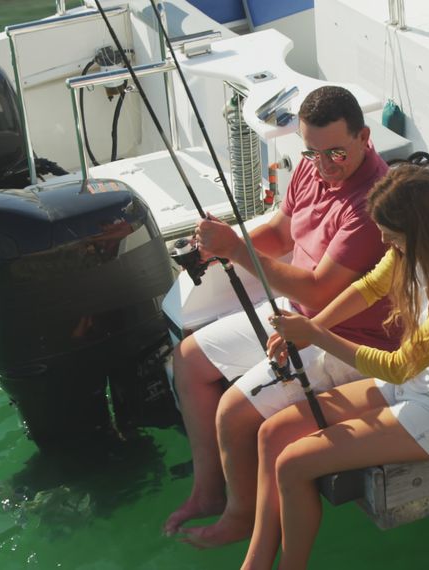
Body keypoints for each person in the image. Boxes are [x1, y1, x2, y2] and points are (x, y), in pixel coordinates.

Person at [242, 164, 429, 569]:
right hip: (411, 389)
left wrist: (315, 336)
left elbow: (399, 367)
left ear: (422, 230)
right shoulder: (412, 251)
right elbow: (369, 287)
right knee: (272, 433)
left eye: (390, 232)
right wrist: (311, 326)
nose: (383, 239)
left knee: (293, 464)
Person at [163, 86, 398, 546]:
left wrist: (234, 249)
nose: (325, 165)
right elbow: (278, 231)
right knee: (187, 360)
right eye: (312, 153)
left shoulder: (373, 203)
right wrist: (222, 248)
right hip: (294, 316)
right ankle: (208, 491)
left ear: (365, 136)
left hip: (341, 336)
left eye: (336, 153)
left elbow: (320, 288)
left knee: (233, 412)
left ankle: (239, 516)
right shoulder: (312, 170)